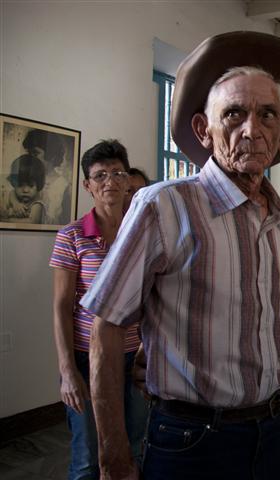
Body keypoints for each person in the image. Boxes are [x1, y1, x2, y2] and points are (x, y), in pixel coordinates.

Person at [81, 31, 280, 480]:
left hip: (274, 427)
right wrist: (113, 458)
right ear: (204, 129)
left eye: (267, 115)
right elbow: (106, 326)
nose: (251, 129)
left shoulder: (276, 218)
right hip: (193, 439)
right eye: (234, 114)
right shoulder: (164, 205)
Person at [49, 139, 147, 479]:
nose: (110, 182)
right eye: (100, 175)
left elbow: (152, 299)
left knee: (134, 448)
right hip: (85, 359)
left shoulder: (141, 235)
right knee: (89, 456)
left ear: (127, 180)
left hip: (134, 359)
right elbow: (61, 308)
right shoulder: (72, 236)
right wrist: (67, 372)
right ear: (87, 185)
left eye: (117, 173)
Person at [23, 129, 72, 224]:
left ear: (51, 155)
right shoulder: (28, 180)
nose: (29, 158)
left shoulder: (63, 186)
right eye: (28, 153)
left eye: (35, 153)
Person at [1, 154, 46, 223]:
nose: (25, 190)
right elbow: (11, 193)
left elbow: (32, 222)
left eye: (31, 186)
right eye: (20, 185)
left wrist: (6, 220)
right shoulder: (14, 195)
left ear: (38, 185)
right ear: (14, 184)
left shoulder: (37, 205)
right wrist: (15, 203)